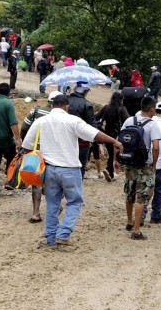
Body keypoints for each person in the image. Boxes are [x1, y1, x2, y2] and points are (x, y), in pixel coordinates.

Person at [22, 94, 123, 248]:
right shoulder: (72, 120)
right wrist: (114, 141)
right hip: (69, 169)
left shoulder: (40, 122)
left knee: (52, 204)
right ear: (66, 106)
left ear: (52, 105)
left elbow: (27, 145)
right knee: (75, 202)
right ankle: (63, 233)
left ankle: (50, 239)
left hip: (48, 169)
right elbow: (95, 134)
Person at [114, 96, 161, 240]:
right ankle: (136, 230)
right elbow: (156, 147)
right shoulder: (152, 125)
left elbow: (118, 141)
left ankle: (129, 222)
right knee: (141, 198)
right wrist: (153, 164)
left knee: (129, 193)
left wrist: (116, 159)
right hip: (144, 165)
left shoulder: (129, 121)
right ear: (152, 108)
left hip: (128, 162)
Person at [20, 91, 62, 222]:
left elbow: (24, 127)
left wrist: (25, 145)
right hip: (53, 153)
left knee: (36, 182)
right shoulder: (63, 117)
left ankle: (36, 213)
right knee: (52, 182)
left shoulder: (36, 111)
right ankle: (55, 207)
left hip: (37, 153)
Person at [142, 101, 161, 224]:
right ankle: (156, 216)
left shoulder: (147, 123)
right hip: (160, 164)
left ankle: (141, 216)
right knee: (159, 191)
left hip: (145, 162)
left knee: (144, 190)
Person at [95, 92, 130, 182]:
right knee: (116, 154)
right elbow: (128, 120)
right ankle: (109, 169)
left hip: (106, 134)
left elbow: (96, 117)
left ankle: (110, 173)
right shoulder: (122, 109)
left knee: (111, 153)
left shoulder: (106, 107)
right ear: (120, 100)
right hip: (118, 135)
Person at [67, 84, 97, 179]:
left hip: (65, 139)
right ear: (85, 91)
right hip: (82, 142)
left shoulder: (65, 101)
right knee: (80, 166)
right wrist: (94, 140)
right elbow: (92, 124)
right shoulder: (87, 104)